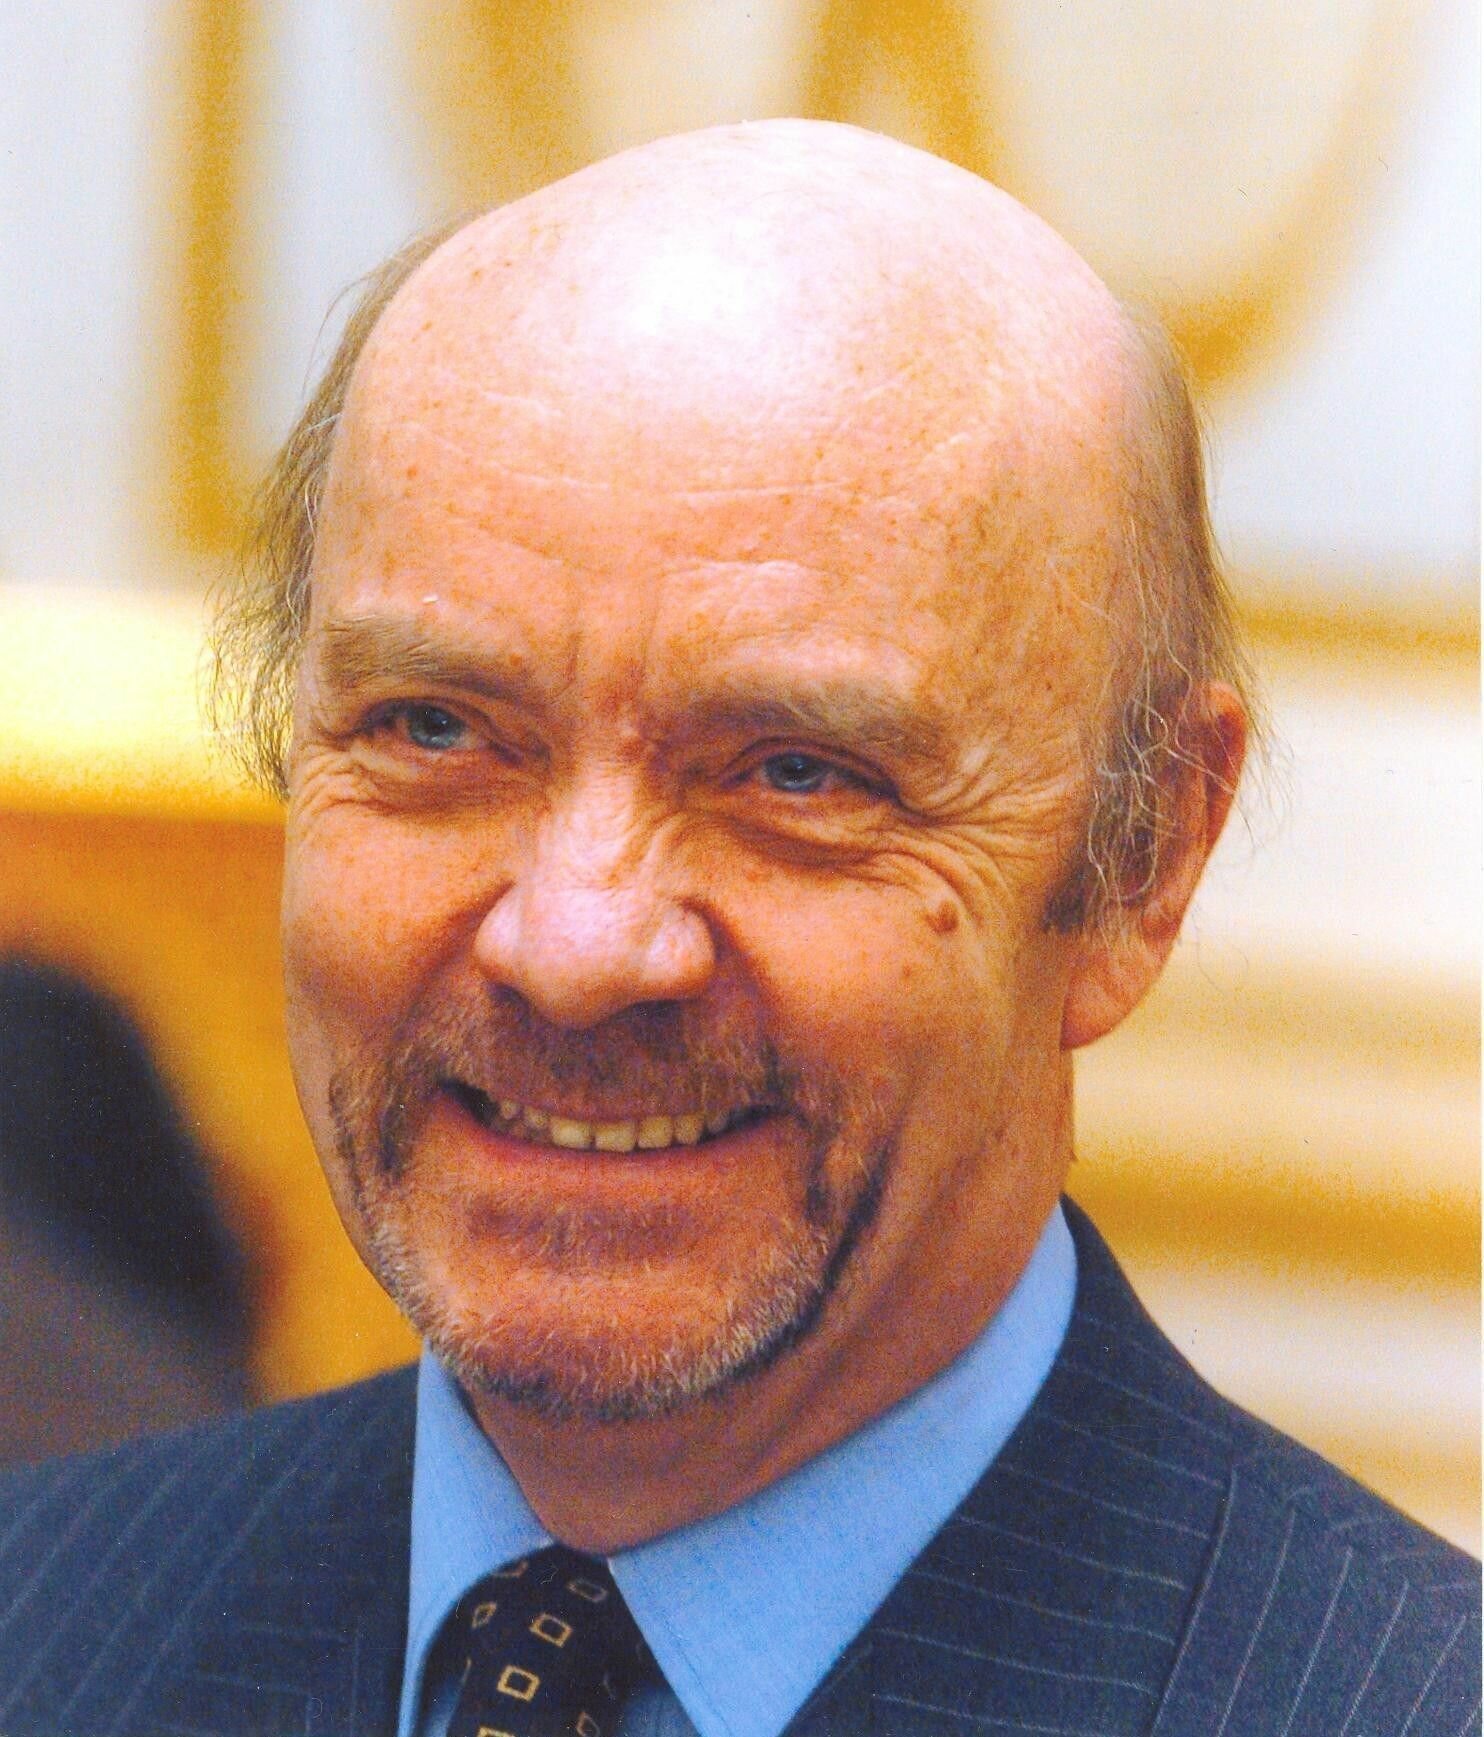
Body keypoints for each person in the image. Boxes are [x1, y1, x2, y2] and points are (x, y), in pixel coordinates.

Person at [0, 120, 1474, 1736]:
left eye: (795, 772)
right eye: (436, 729)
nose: (574, 945)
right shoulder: (43, 1621)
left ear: (1142, 862)